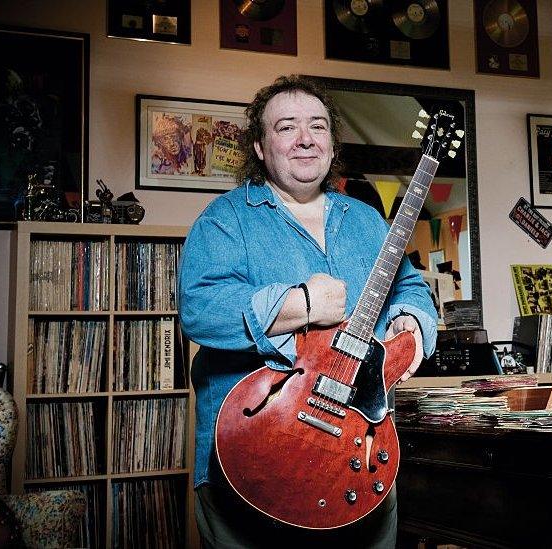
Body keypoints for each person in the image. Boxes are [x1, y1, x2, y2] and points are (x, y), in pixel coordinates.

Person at [178, 75, 438, 548]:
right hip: (254, 460)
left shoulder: (365, 219)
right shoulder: (225, 219)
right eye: (286, 127)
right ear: (259, 146)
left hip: (359, 456)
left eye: (317, 126)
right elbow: (200, 309)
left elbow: (411, 287)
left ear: (332, 142)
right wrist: (298, 304)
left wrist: (412, 324)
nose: (304, 138)